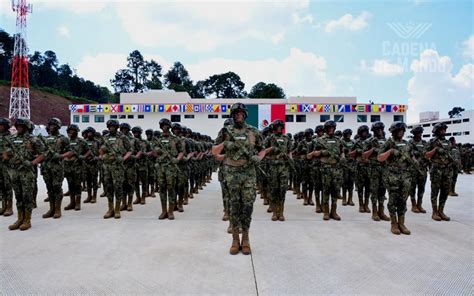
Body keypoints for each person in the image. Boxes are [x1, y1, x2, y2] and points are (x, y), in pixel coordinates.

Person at [212, 103, 267, 255]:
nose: (238, 115)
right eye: (236, 113)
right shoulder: (225, 131)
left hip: (249, 173)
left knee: (248, 206)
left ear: (245, 114)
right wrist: (226, 143)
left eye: (241, 112)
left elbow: (262, 150)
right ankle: (235, 240)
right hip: (232, 173)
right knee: (234, 206)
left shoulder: (253, 131)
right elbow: (214, 151)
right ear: (232, 115)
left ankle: (246, 239)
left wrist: (259, 158)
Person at [4, 118, 45, 230]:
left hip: (26, 172)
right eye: (18, 126)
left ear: (26, 127)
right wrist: (7, 156)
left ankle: (27, 220)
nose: (19, 128)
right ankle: (19, 219)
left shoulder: (33, 139)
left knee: (27, 197)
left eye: (22, 126)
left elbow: (43, 154)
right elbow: (6, 154)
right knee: (18, 196)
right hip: (14, 172)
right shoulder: (11, 139)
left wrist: (32, 163)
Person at [378, 122, 412, 235]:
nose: (401, 133)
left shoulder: (407, 144)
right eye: (399, 130)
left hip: (405, 176)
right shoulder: (389, 143)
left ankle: (402, 223)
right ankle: (394, 223)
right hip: (393, 176)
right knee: (393, 200)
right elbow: (380, 158)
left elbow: (412, 157)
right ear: (394, 132)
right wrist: (391, 151)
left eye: (403, 130)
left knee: (403, 200)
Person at [308, 120, 343, 221]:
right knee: (326, 190)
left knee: (335, 190)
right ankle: (326, 211)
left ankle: (334, 211)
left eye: (332, 128)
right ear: (326, 129)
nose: (331, 129)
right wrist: (322, 152)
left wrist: (341, 159)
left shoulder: (338, 140)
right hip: (325, 168)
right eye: (329, 128)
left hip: (336, 168)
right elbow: (314, 154)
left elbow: (341, 152)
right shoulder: (320, 140)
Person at [151, 118, 184, 220]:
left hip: (171, 167)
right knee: (162, 189)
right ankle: (163, 211)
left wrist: (177, 159)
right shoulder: (157, 139)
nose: (164, 127)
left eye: (166, 125)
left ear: (169, 127)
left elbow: (181, 152)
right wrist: (156, 150)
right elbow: (153, 152)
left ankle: (170, 211)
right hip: (161, 166)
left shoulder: (175, 139)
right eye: (163, 125)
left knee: (171, 188)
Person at [100, 119, 132, 219]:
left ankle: (117, 209)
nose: (111, 128)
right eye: (110, 126)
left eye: (113, 126)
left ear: (117, 127)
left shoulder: (123, 137)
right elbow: (100, 149)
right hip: (107, 166)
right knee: (108, 187)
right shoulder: (105, 138)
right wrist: (102, 156)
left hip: (118, 167)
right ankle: (110, 209)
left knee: (118, 187)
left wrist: (123, 158)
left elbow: (130, 150)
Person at [42, 118, 72, 219]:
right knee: (49, 189)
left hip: (57, 167)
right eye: (50, 125)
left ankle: (58, 209)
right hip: (46, 167)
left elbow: (70, 152)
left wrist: (60, 156)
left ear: (58, 126)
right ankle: (51, 209)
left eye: (53, 125)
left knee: (57, 188)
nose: (51, 127)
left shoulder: (63, 138)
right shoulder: (45, 139)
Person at [264, 119, 291, 221]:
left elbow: (289, 152)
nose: (279, 128)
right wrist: (271, 149)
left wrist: (289, 161)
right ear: (274, 128)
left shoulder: (286, 138)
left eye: (280, 126)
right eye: (277, 126)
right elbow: (262, 151)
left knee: (282, 190)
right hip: (273, 167)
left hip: (283, 167)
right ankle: (275, 212)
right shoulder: (269, 139)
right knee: (274, 189)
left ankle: (281, 212)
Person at [425, 123, 452, 222]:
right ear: (436, 131)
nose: (443, 131)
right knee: (435, 192)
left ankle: (441, 211)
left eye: (444, 130)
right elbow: (426, 155)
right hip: (436, 170)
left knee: (445, 191)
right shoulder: (432, 142)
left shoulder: (448, 142)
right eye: (441, 130)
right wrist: (435, 149)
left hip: (447, 170)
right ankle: (434, 212)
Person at [63, 124, 88, 211]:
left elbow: (88, 151)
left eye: (72, 131)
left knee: (77, 185)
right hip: (68, 167)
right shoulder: (66, 141)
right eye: (69, 131)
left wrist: (83, 157)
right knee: (70, 185)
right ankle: (72, 202)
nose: (70, 132)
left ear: (76, 131)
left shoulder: (81, 141)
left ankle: (77, 203)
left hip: (78, 167)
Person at [408, 126, 429, 213]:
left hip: (423, 169)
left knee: (421, 188)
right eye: (417, 133)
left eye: (420, 132)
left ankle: (419, 204)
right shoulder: (410, 143)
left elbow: (427, 154)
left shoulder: (424, 143)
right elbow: (409, 153)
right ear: (414, 134)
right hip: (413, 169)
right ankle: (413, 205)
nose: (419, 134)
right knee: (412, 188)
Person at [0, 118, 13, 216]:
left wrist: (6, 154)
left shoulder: (11, 138)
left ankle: (9, 207)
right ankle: (3, 206)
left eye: (1, 125)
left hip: (7, 165)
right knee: (1, 186)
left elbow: (15, 150)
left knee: (7, 186)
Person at [83, 127, 100, 204]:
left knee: (94, 181)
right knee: (88, 180)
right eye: (88, 133)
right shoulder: (84, 142)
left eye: (90, 133)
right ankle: (89, 195)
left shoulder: (97, 142)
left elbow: (101, 152)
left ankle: (94, 196)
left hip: (94, 164)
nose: (89, 134)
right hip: (86, 163)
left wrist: (97, 158)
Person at [341, 129, 356, 206]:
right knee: (344, 182)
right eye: (347, 134)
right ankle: (344, 198)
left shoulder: (353, 142)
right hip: (344, 164)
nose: (348, 135)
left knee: (351, 182)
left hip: (352, 164)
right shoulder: (341, 142)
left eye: (349, 134)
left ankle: (350, 199)